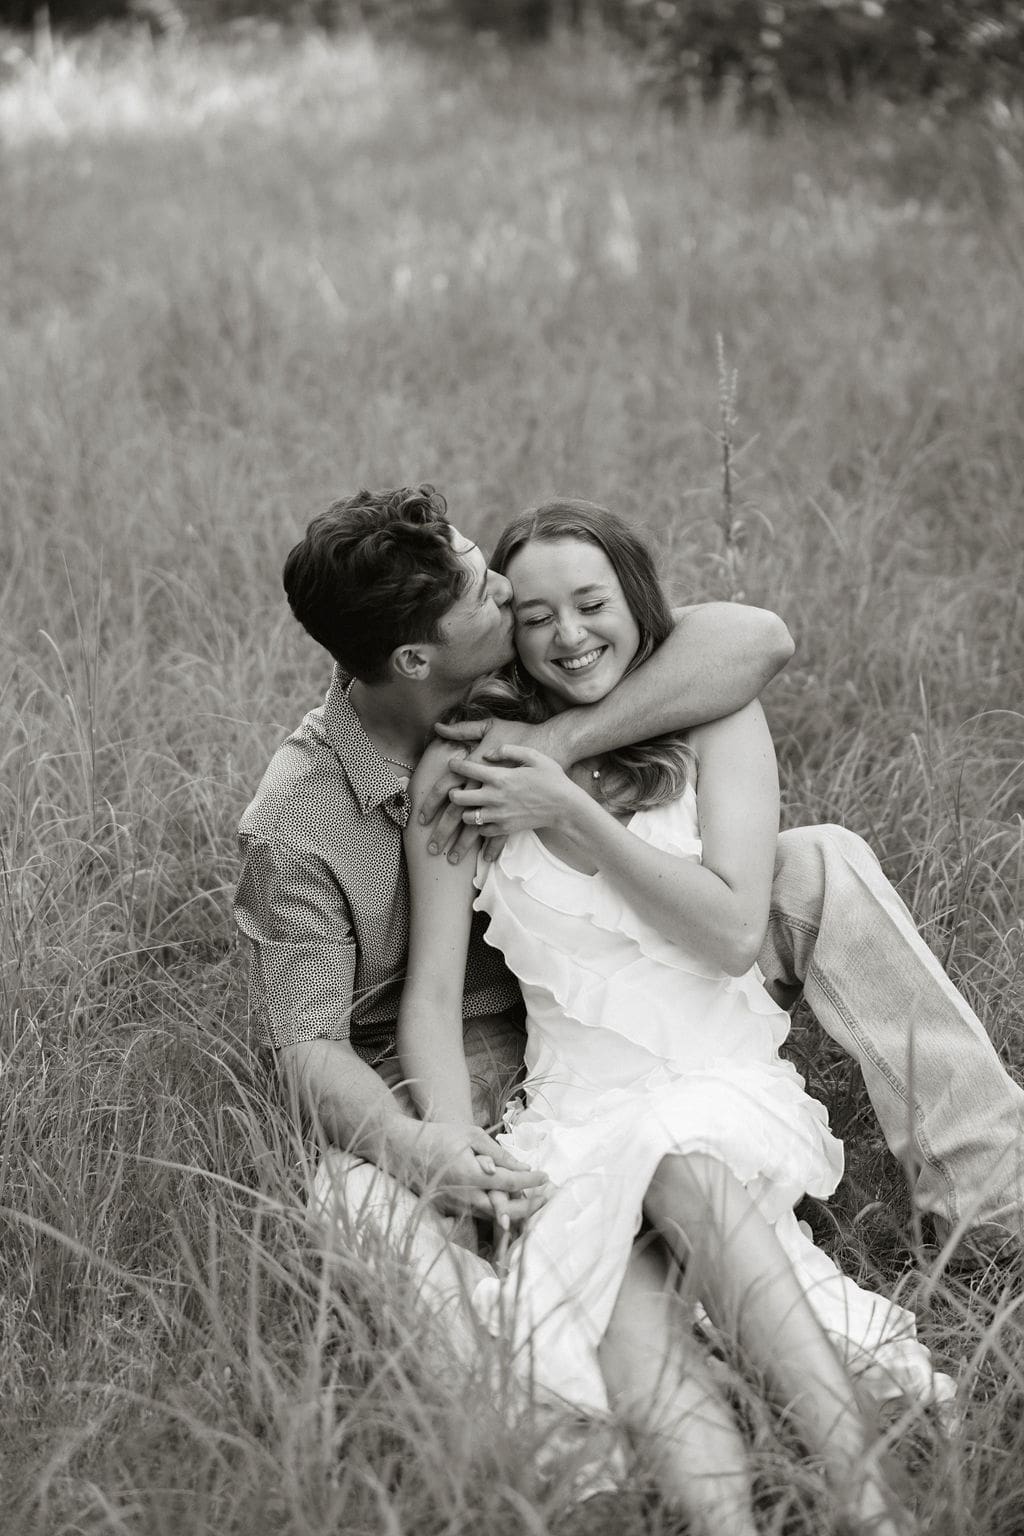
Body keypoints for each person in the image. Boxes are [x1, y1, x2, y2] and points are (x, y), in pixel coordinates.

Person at [234, 484, 1024, 1331]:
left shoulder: (516, 651)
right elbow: (308, 1044)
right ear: (417, 660)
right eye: (482, 593)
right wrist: (426, 1142)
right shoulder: (297, 819)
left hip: (634, 939)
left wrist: (555, 745)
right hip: (476, 1044)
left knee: (822, 860)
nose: (502, 591)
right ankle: (542, 1380)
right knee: (359, 1201)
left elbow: (753, 637)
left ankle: (994, 1208)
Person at [395, 500, 957, 1536]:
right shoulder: (466, 765)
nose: (568, 636)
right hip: (573, 1111)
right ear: (507, 635)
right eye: (535, 617)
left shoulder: (712, 721)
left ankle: (867, 1506)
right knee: (622, 1331)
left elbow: (732, 934)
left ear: (635, 601)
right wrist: (447, 1136)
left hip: (715, 1085)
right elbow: (428, 993)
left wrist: (569, 807)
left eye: (591, 603)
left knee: (683, 1164)